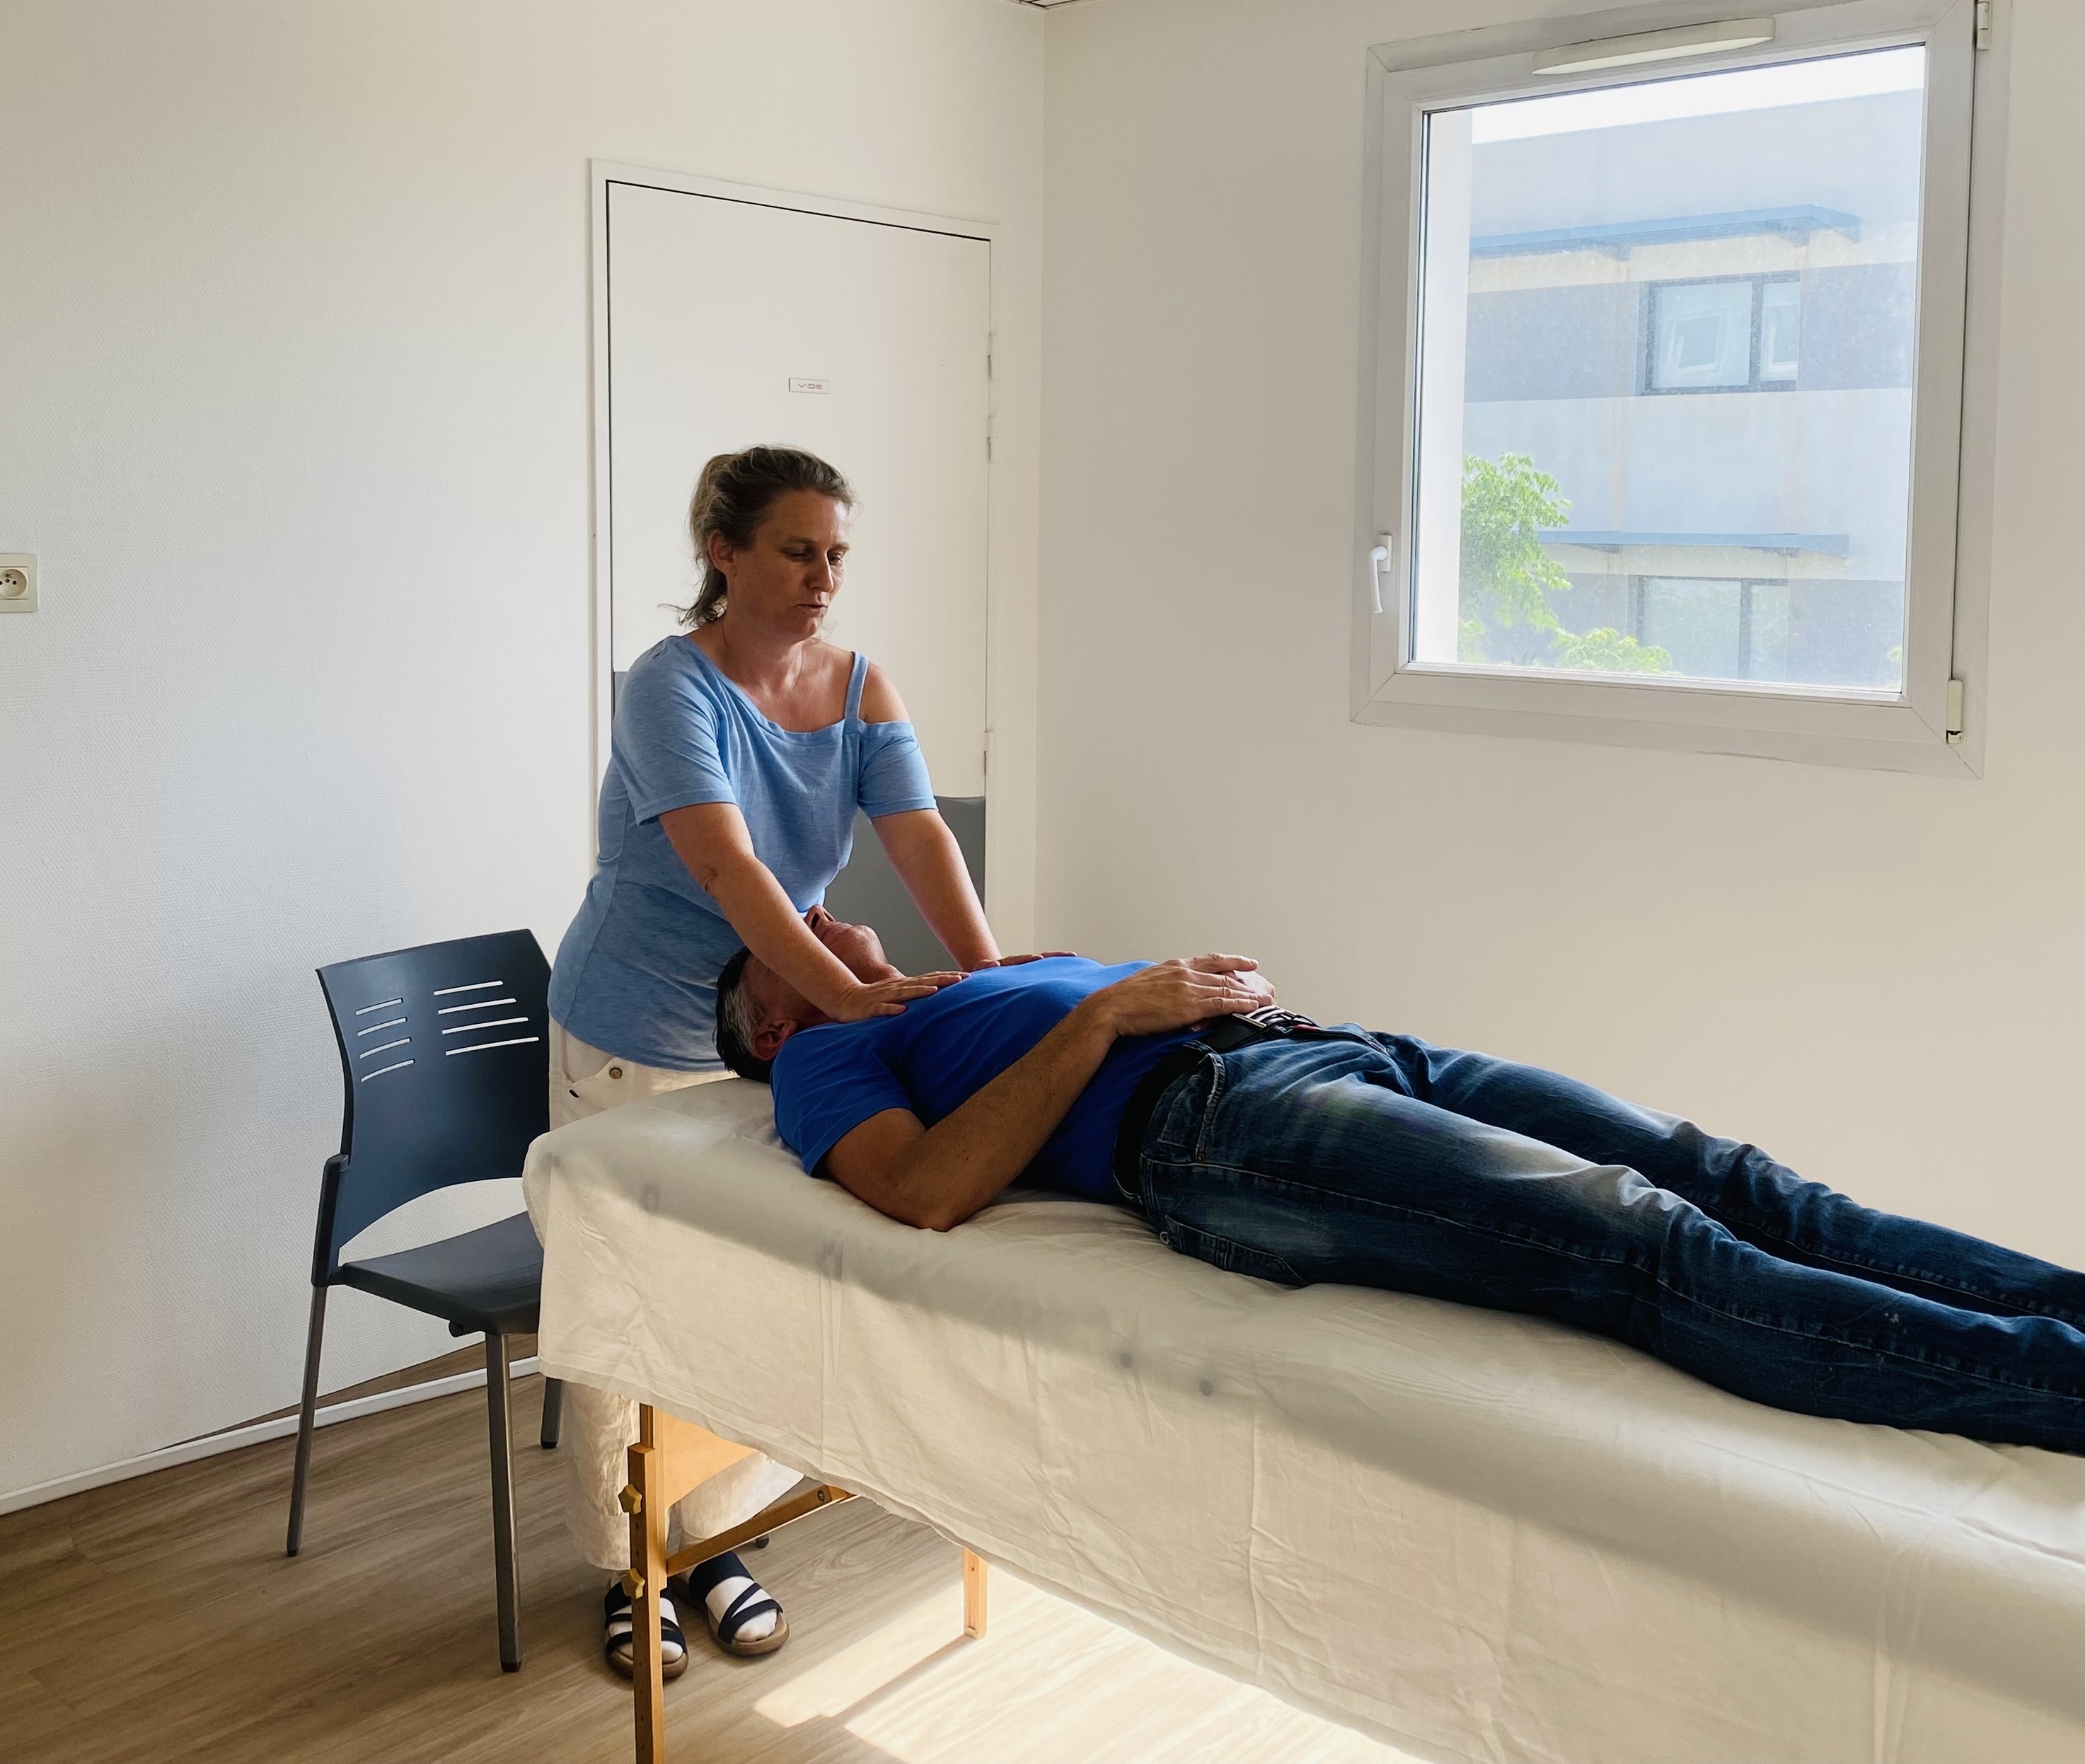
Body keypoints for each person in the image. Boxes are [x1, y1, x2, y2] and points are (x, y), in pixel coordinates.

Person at [710, 917, 2085, 1454]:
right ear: (768, 1025)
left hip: (1331, 1048)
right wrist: (1111, 1009)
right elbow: (928, 1190)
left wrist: (1155, 985)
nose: (819, 911)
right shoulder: (825, 1056)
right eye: (787, 931)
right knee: (1643, 1238)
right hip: (1219, 1129)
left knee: (1735, 1177)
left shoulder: (951, 986)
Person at [549, 447, 1001, 1681]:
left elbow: (919, 839)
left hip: (769, 1027)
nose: (823, 578)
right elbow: (726, 865)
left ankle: (713, 1543)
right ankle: (631, 1568)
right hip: (637, 1031)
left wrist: (991, 977)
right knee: (629, 1294)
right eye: (797, 552)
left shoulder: (858, 687)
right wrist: (847, 993)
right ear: (725, 553)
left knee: (753, 1288)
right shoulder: (671, 685)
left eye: (837, 555)